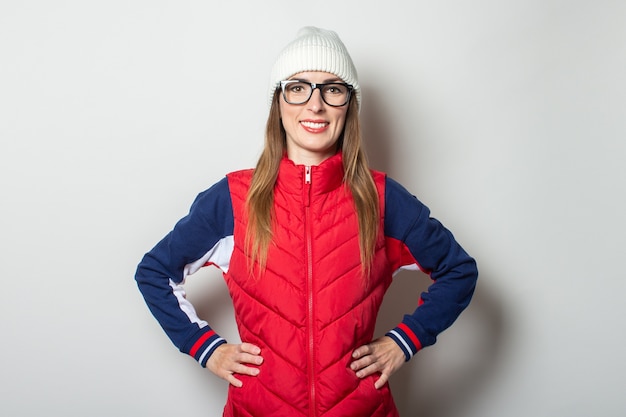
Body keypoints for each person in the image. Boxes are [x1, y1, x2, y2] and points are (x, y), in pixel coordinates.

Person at [135, 26, 478, 417]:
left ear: (349, 105)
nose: (315, 105)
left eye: (333, 89)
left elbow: (459, 271)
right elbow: (154, 272)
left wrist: (403, 341)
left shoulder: (383, 199)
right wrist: (206, 349)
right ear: (278, 102)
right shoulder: (233, 199)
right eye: (298, 87)